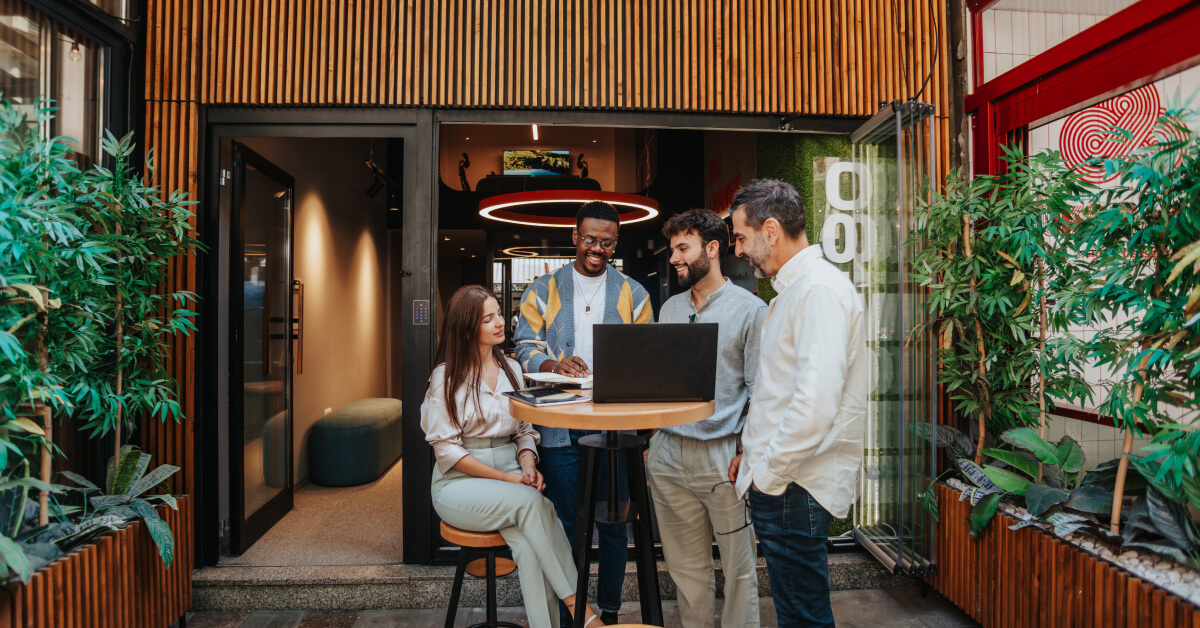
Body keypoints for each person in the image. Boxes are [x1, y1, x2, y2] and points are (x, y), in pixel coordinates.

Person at [725, 179, 867, 628]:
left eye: (741, 237)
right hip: (786, 479)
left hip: (792, 484)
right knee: (796, 613)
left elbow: (813, 406)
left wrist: (766, 476)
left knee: (802, 618)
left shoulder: (816, 291)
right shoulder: (797, 290)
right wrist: (750, 454)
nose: (738, 250)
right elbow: (781, 392)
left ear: (770, 230)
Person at [422, 285, 606, 628]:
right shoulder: (444, 377)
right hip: (459, 483)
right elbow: (446, 450)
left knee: (529, 543)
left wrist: (527, 464)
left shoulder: (511, 368)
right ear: (465, 330)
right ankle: (581, 610)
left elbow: (523, 431)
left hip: (512, 472)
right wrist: (509, 479)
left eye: (500, 314)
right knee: (535, 504)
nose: (500, 323)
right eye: (487, 318)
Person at [514, 201, 654, 625]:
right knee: (566, 527)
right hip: (560, 430)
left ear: (616, 242)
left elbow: (647, 353)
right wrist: (554, 365)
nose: (597, 248)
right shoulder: (542, 289)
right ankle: (574, 614)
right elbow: (523, 346)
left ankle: (608, 613)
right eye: (590, 239)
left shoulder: (635, 293)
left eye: (607, 242)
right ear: (575, 237)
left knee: (614, 526)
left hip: (614, 428)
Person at [650, 209, 765, 628]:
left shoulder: (751, 310)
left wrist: (745, 451)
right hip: (667, 454)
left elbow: (760, 392)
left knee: (738, 570)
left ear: (712, 249)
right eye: (672, 249)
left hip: (724, 458)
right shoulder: (669, 309)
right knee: (684, 570)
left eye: (683, 248)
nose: (674, 258)